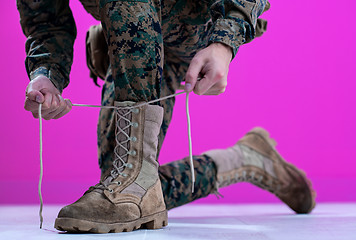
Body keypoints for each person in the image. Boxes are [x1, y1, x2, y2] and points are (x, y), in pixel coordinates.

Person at [17, 0, 316, 233]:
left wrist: (224, 41)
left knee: (133, 184)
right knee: (125, 186)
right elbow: (46, 21)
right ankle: (245, 159)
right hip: (137, 40)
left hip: (198, 27)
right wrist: (46, 75)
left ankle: (136, 176)